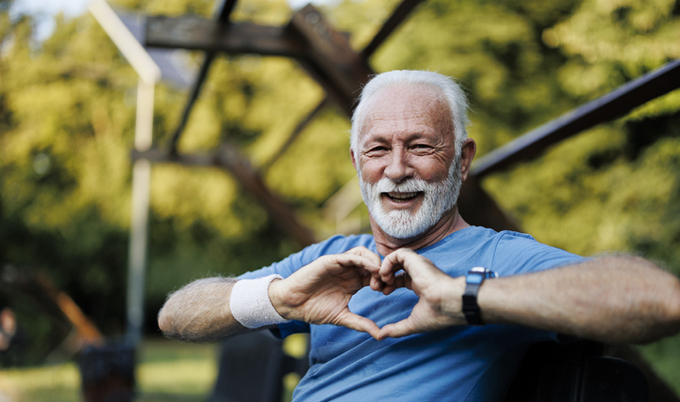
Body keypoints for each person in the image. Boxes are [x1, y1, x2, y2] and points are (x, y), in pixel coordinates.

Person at [158, 70, 680, 401]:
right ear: (356, 162)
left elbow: (657, 298)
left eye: (422, 147)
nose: (396, 169)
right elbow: (175, 316)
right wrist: (279, 298)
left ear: (462, 159)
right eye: (378, 149)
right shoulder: (331, 258)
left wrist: (464, 298)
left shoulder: (497, 257)